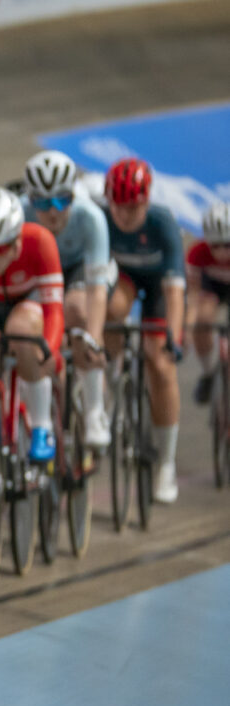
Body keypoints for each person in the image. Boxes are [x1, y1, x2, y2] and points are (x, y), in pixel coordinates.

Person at [103, 157, 185, 503]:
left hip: (158, 290)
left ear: (147, 201)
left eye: (132, 208)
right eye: (118, 207)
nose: (123, 216)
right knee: (112, 309)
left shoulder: (163, 225)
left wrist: (174, 340)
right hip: (123, 281)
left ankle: (166, 463)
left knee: (160, 363)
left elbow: (175, 292)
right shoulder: (101, 218)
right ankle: (112, 378)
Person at [0, 187, 64, 462]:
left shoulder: (40, 241)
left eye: (0, 249)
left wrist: (48, 349)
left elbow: (55, 310)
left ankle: (41, 426)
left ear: (18, 243)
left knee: (22, 331)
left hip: (27, 303)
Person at [21, 150, 110, 447]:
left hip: (76, 271)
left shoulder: (91, 218)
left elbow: (98, 289)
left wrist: (94, 338)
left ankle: (95, 409)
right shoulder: (18, 215)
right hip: (40, 272)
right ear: (29, 199)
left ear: (74, 194)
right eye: (43, 203)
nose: (53, 211)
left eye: (62, 200)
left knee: (79, 313)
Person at [188, 201, 230, 404]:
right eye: (215, 245)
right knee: (202, 320)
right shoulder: (197, 253)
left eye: (228, 245)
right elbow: (193, 295)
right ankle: (208, 373)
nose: (222, 252)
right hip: (211, 287)